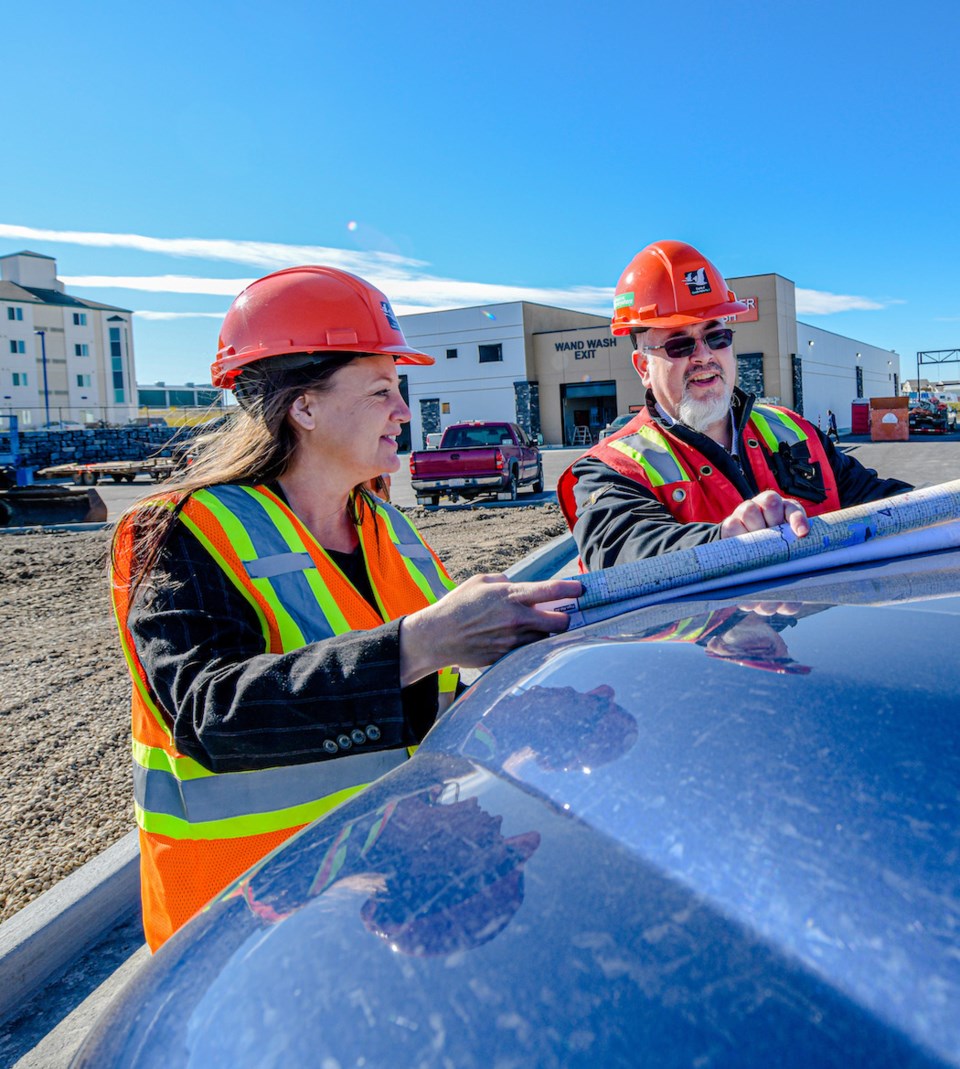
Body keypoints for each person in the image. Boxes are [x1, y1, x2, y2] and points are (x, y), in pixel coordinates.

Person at [111, 265, 581, 950]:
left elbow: (428, 699)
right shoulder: (181, 530)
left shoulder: (390, 530)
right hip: (241, 936)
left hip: (385, 891)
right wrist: (420, 642)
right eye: (383, 389)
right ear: (304, 405)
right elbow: (208, 711)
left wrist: (527, 698)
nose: (402, 410)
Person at [558, 241, 913, 570]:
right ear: (643, 368)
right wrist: (725, 541)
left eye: (717, 337)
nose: (704, 356)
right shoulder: (611, 470)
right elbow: (624, 551)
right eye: (679, 345)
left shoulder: (793, 430)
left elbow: (880, 502)